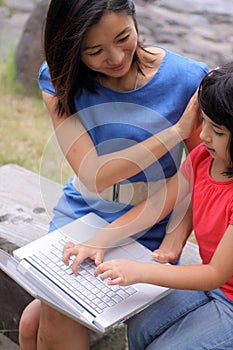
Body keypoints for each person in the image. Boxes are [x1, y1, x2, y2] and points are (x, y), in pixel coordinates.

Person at [18, 0, 208, 349]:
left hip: (153, 215)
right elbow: (94, 175)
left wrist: (174, 240)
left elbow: (195, 176)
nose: (117, 57)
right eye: (95, 51)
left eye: (124, 37)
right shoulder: (59, 77)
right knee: (44, 314)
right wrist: (175, 132)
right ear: (71, 48)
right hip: (83, 209)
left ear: (135, 19)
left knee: (42, 317)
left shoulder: (188, 78)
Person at [93, 62, 233, 349]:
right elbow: (162, 203)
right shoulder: (203, 160)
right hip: (214, 284)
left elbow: (214, 274)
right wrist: (98, 240)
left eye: (217, 131)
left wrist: (138, 271)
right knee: (140, 325)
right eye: (202, 121)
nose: (204, 136)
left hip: (223, 291)